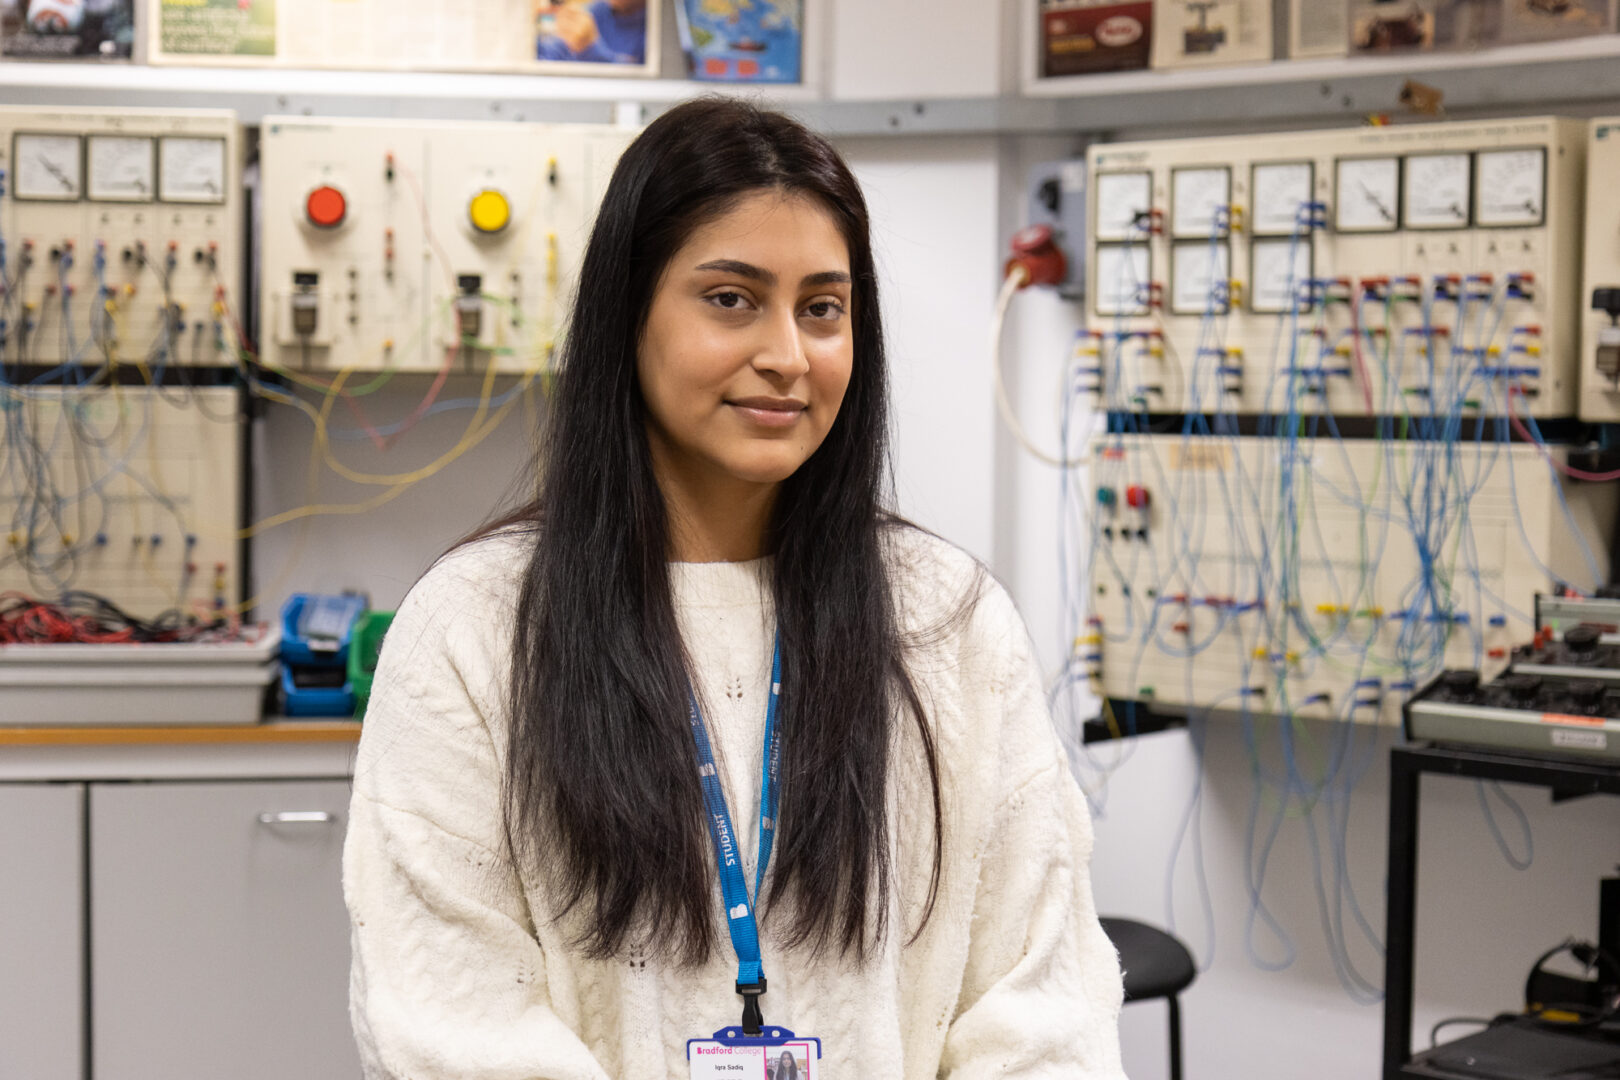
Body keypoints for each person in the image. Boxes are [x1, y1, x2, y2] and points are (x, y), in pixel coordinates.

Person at [343, 97, 1126, 1079]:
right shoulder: (476, 628)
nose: (788, 356)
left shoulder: (948, 617)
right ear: (629, 316)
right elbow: (451, 1018)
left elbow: (1039, 1006)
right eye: (731, 298)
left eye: (823, 308)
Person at [536, 0, 646, 65]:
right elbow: (558, 52)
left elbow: (637, 78)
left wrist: (589, 50)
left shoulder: (656, 29)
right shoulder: (600, 10)